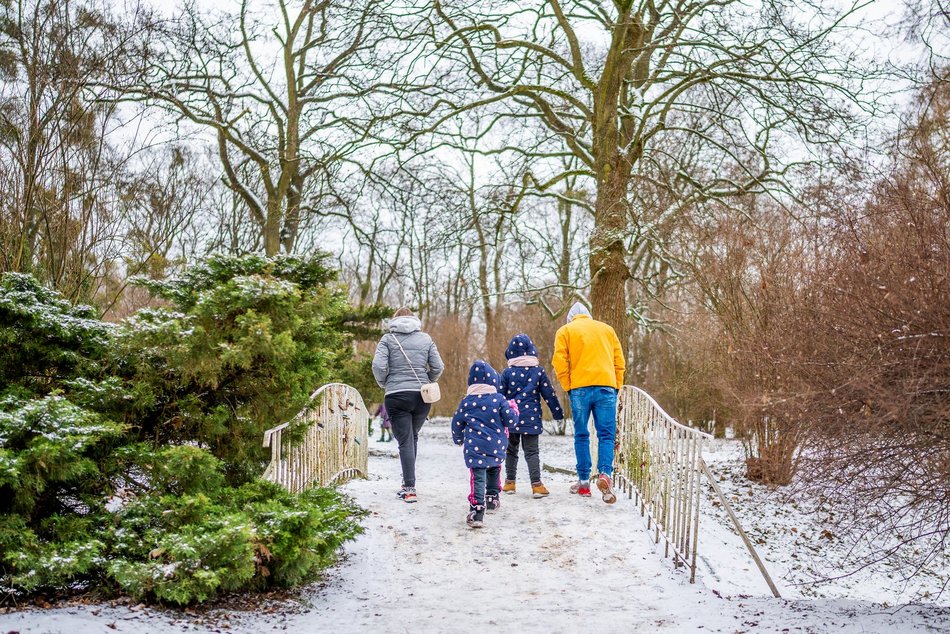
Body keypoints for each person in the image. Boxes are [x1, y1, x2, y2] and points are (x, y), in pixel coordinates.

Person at [552, 302, 625, 504]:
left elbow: (558, 362)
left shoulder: (565, 331)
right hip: (605, 387)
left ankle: (584, 482)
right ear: (588, 316)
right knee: (606, 435)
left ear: (571, 318)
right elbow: (619, 362)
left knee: (582, 434)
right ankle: (604, 474)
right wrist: (615, 385)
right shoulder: (607, 330)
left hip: (580, 389)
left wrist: (569, 386)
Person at [372, 307, 445, 503]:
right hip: (422, 396)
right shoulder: (426, 339)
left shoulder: (388, 339)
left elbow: (378, 366)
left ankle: (410, 488)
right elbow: (438, 366)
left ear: (394, 321)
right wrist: (426, 380)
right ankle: (407, 484)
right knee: (411, 437)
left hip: (396, 396)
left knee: (405, 441)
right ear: (415, 320)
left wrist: (385, 383)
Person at [451, 360, 518, 528]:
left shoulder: (466, 402)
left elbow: (457, 422)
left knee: (478, 477)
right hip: (496, 445)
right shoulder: (499, 399)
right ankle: (492, 498)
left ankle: (477, 510)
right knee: (494, 469)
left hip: (475, 447)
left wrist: (458, 439)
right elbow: (510, 421)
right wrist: (514, 410)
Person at [499, 333, 564, 498]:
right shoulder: (538, 371)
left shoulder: (507, 373)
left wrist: (497, 416)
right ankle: (536, 485)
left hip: (511, 417)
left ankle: (509, 483)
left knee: (510, 450)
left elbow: (499, 396)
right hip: (531, 419)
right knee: (532, 452)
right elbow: (548, 393)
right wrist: (557, 412)